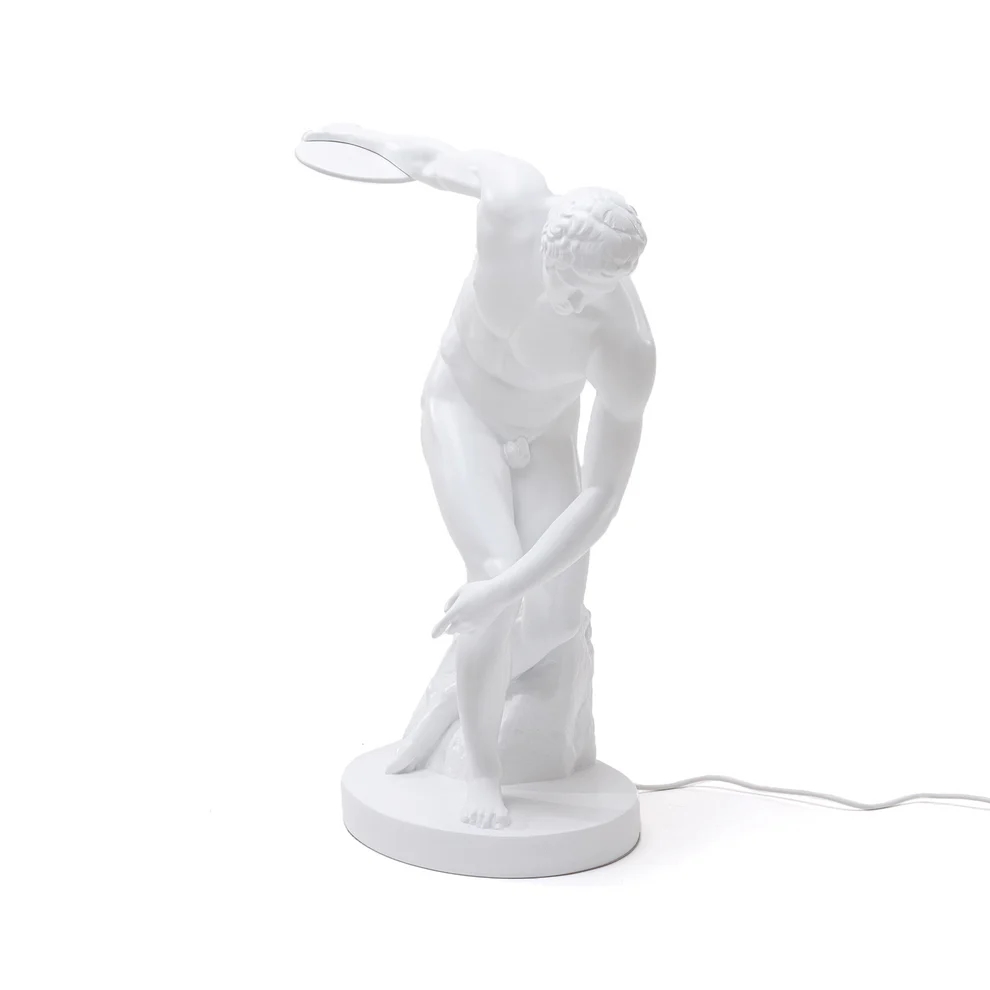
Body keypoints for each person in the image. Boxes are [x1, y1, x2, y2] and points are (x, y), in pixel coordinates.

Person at [303, 126, 655, 829]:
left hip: (545, 435)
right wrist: (362, 148)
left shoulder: (626, 348)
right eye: (573, 288)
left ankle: (447, 705)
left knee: (553, 619)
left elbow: (601, 497)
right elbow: (431, 160)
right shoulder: (512, 201)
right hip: (461, 406)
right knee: (494, 568)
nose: (582, 307)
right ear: (547, 246)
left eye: (602, 294)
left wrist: (506, 591)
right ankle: (484, 772)